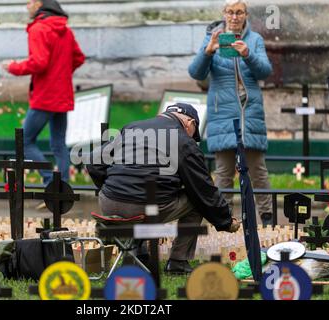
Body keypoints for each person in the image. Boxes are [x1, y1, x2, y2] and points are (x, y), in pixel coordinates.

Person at [86, 103, 240, 274]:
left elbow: (94, 162)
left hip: (108, 202)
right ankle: (178, 262)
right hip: (144, 208)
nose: (192, 138)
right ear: (189, 123)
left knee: (150, 194)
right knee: (195, 201)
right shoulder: (184, 140)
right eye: (193, 133)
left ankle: (139, 254)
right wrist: (225, 220)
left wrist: (110, 187)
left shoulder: (132, 127)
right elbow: (203, 189)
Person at [188, 0, 274, 226]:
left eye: (239, 12)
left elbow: (265, 71)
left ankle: (267, 220)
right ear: (224, 14)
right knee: (224, 173)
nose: (234, 17)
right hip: (222, 113)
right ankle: (224, 222)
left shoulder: (254, 40)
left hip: (250, 112)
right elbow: (195, 73)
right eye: (230, 12)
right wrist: (208, 51)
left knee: (258, 172)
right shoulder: (213, 37)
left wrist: (248, 55)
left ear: (245, 15)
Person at [4, 0, 85, 186]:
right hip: (62, 94)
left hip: (45, 97)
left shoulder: (38, 29)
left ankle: (51, 183)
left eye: (29, 2)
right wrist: (61, 74)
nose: (27, 6)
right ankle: (62, 189)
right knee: (58, 144)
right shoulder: (65, 30)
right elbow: (78, 58)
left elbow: (39, 62)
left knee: (24, 141)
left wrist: (13, 67)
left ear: (39, 3)